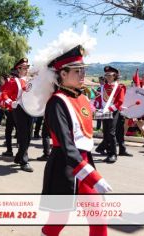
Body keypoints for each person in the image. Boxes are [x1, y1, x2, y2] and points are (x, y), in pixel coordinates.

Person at [41, 44, 112, 236]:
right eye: (77, 71)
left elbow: (83, 123)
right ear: (63, 74)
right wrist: (92, 176)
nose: (82, 75)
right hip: (65, 165)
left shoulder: (81, 97)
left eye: (83, 70)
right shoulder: (56, 102)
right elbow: (66, 144)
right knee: (58, 220)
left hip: (85, 162)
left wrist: (105, 114)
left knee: (98, 216)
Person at [1, 58, 34, 172]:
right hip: (19, 109)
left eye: (27, 67)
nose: (26, 69)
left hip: (30, 109)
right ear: (18, 69)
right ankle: (24, 161)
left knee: (29, 136)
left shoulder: (30, 80)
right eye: (24, 67)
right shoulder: (13, 81)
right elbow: (4, 95)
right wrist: (11, 102)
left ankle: (19, 157)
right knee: (23, 136)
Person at [94, 66, 129, 162]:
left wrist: (109, 109)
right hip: (104, 111)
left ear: (115, 76)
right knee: (106, 133)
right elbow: (99, 100)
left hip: (114, 111)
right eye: (106, 75)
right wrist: (95, 106)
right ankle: (109, 153)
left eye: (109, 75)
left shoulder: (120, 87)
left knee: (111, 132)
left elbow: (119, 102)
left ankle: (113, 154)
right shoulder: (102, 87)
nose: (107, 77)